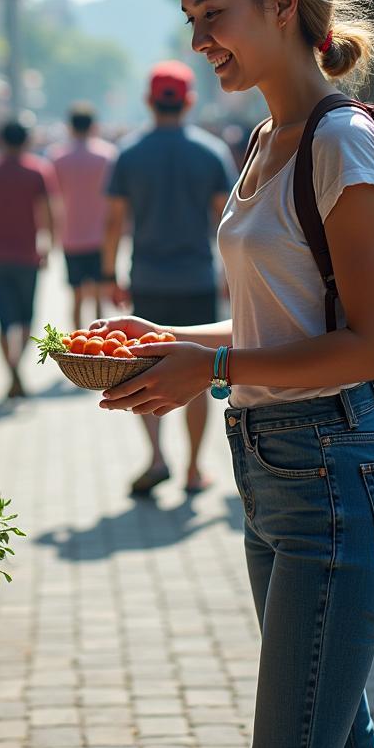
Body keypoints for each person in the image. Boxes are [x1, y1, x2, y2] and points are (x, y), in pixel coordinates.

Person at [95, 0, 374, 748]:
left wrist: (214, 370)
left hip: (334, 470)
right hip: (273, 473)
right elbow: (284, 323)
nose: (199, 40)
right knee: (338, 734)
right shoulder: (267, 140)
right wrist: (172, 341)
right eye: (191, 18)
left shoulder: (340, 142)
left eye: (212, 13)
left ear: (282, 4)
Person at [103, 61, 235, 497]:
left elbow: (114, 221)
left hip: (147, 279)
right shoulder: (211, 152)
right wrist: (233, 276)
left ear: (148, 100)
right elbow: (228, 221)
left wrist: (108, 273)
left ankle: (157, 458)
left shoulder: (129, 152)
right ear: (189, 100)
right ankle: (194, 468)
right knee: (200, 373)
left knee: (143, 370)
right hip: (197, 279)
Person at [0, 119, 56, 398]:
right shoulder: (37, 171)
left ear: (1, 140)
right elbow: (47, 211)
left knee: (2, 319)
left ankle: (12, 373)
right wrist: (49, 246)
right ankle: (17, 369)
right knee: (25, 318)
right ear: (27, 141)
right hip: (27, 255)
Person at [50, 102, 117, 329]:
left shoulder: (58, 157)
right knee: (99, 297)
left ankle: (76, 340)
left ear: (70, 126)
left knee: (76, 297)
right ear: (93, 126)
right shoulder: (107, 155)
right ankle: (101, 341)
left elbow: (55, 196)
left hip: (71, 234)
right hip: (100, 234)